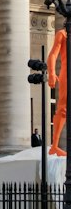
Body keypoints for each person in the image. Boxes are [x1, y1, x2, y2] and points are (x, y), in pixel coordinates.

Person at [47, 28, 68, 156]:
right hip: (67, 74)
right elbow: (53, 54)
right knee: (63, 109)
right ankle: (54, 146)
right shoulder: (63, 34)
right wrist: (52, 72)